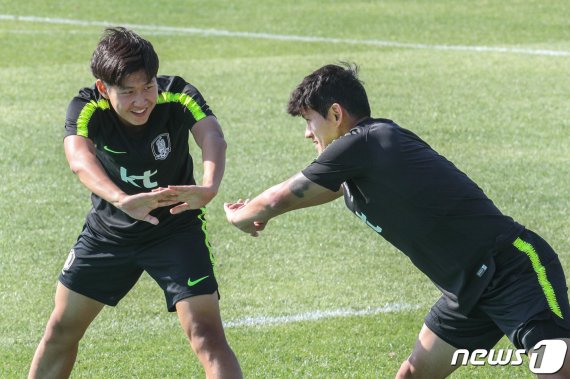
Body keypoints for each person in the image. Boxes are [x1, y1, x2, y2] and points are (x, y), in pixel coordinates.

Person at [224, 63, 570, 378]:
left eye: (308, 120)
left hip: (511, 270)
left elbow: (282, 195)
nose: (307, 134)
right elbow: (321, 190)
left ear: (335, 113)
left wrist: (243, 214)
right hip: (464, 290)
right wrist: (265, 213)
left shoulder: (366, 142)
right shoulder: (359, 162)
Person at [28, 27, 242, 379]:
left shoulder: (177, 93)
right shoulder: (87, 106)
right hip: (108, 233)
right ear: (103, 88)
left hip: (175, 230)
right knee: (60, 331)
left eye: (148, 87)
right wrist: (122, 200)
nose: (142, 100)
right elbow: (79, 159)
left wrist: (209, 185)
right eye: (128, 92)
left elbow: (212, 134)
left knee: (206, 335)